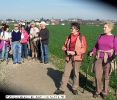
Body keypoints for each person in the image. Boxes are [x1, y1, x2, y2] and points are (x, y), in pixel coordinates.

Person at [54, 22, 87, 95]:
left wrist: (75, 52)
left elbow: (84, 49)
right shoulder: (68, 37)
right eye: (71, 28)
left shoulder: (82, 38)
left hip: (77, 58)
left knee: (75, 74)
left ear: (77, 29)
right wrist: (66, 50)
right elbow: (64, 46)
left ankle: (74, 88)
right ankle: (62, 89)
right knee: (66, 73)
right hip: (68, 57)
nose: (71, 29)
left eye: (72, 28)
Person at [89, 21, 117, 99]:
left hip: (108, 59)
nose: (103, 28)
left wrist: (112, 58)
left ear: (110, 28)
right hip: (98, 58)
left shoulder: (114, 38)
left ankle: (104, 92)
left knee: (106, 77)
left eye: (105, 27)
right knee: (97, 76)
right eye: (103, 27)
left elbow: (116, 50)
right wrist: (92, 52)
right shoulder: (100, 36)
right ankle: (98, 91)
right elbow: (96, 47)